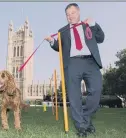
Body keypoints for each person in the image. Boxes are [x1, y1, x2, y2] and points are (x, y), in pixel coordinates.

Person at [45, 3, 105, 137]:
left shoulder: (88, 25)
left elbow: (101, 38)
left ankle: (85, 118)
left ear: (78, 12)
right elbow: (59, 47)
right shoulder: (63, 30)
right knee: (74, 96)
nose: (70, 16)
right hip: (72, 63)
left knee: (96, 91)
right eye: (67, 14)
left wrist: (94, 24)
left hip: (91, 61)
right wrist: (51, 41)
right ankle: (81, 127)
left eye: (72, 13)